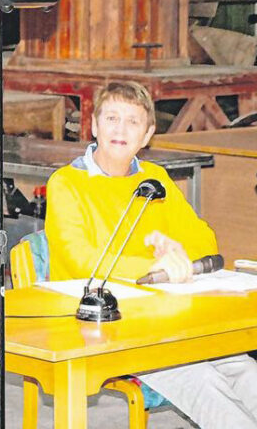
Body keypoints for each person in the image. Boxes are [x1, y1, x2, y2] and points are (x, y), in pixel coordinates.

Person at [45, 81, 257, 428]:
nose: (120, 129)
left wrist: (178, 251)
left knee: (245, 369)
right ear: (94, 125)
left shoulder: (155, 179)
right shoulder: (67, 184)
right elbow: (80, 260)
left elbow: (206, 240)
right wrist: (154, 266)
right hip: (107, 324)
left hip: (167, 318)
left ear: (147, 135)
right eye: (111, 118)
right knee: (204, 381)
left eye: (132, 121)